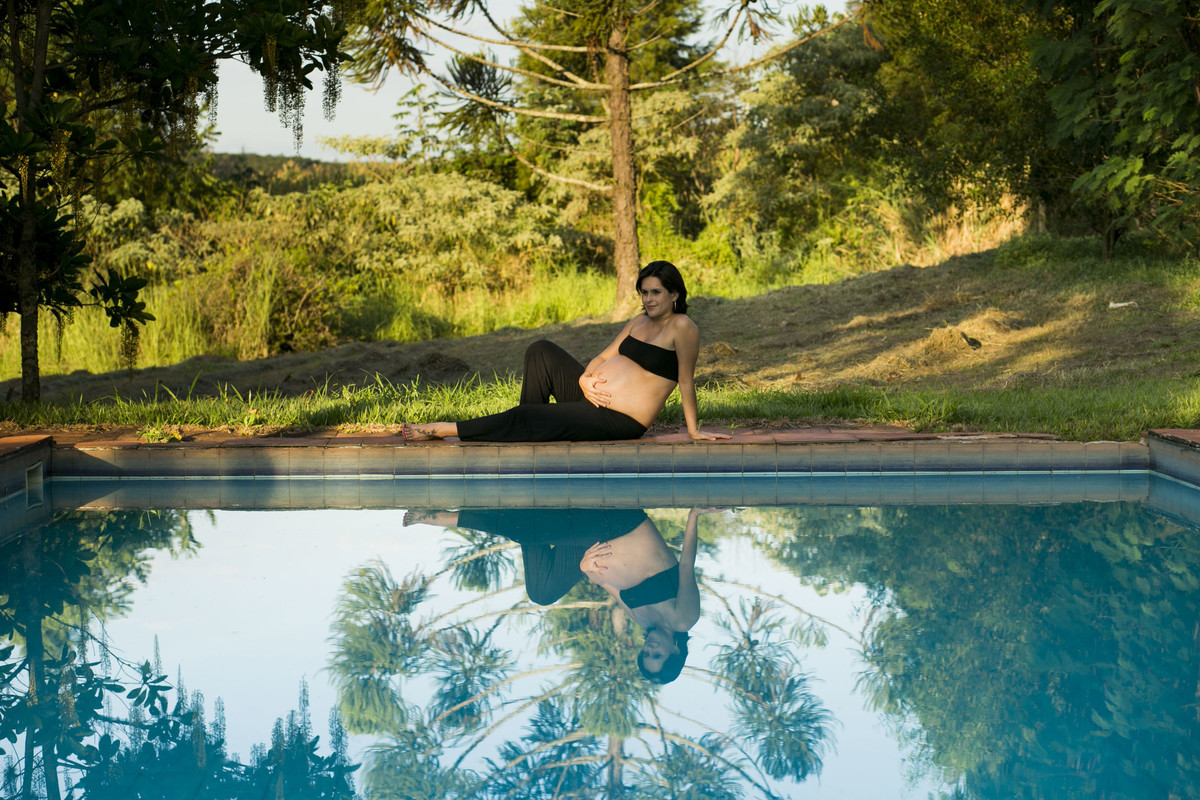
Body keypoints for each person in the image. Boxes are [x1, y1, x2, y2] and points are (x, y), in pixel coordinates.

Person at [401, 260, 729, 442]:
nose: (648, 299)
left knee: (526, 415)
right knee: (541, 350)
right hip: (590, 399)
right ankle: (529, 428)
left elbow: (686, 381)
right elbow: (603, 357)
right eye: (644, 293)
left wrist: (694, 431)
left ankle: (444, 429)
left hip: (619, 419)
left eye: (655, 293)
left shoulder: (682, 327)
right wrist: (585, 379)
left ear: (674, 294)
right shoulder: (639, 321)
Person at [580, 507, 724, 684]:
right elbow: (686, 566)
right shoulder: (683, 620)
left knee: (547, 592)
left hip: (593, 541)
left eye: (646, 653)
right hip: (623, 525)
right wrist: (694, 515)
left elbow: (604, 584)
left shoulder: (641, 620)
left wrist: (586, 568)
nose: (649, 648)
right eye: (657, 655)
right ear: (675, 651)